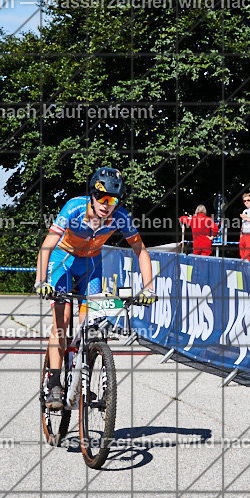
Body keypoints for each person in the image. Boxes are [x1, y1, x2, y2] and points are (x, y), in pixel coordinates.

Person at [34, 167, 157, 410]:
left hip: (91, 265)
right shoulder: (74, 208)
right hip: (63, 260)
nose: (106, 204)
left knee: (91, 325)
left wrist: (148, 288)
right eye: (101, 197)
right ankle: (55, 383)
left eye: (112, 200)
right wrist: (41, 281)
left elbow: (141, 251)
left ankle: (82, 378)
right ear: (92, 195)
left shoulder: (120, 216)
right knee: (62, 320)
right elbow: (47, 246)